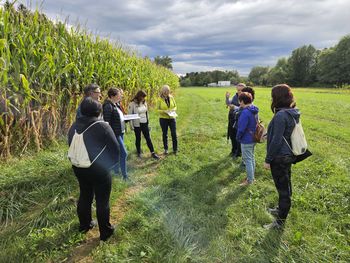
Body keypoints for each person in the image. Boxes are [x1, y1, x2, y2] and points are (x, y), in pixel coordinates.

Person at [68, 97, 118, 241]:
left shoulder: (73, 126)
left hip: (78, 167)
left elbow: (70, 144)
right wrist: (108, 167)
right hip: (98, 169)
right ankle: (105, 232)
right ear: (98, 111)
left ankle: (85, 225)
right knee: (102, 201)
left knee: (85, 195)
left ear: (82, 111)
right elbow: (115, 151)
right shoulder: (103, 126)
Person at [263, 84, 299, 230]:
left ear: (277, 97)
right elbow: (284, 134)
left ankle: (280, 222)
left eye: (273, 96)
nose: (271, 98)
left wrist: (268, 160)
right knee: (285, 186)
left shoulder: (280, 115)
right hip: (287, 155)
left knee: (284, 190)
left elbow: (277, 141)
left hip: (279, 157)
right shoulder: (292, 112)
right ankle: (280, 209)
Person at [103, 87, 128, 180]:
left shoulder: (115, 104)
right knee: (124, 153)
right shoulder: (107, 106)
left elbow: (118, 118)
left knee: (118, 153)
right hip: (115, 134)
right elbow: (107, 123)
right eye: (118, 95)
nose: (121, 96)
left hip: (120, 132)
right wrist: (111, 136)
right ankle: (125, 176)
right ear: (112, 96)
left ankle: (116, 172)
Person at [128, 90, 160, 160]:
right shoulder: (132, 103)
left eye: (144, 97)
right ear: (139, 96)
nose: (143, 98)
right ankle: (139, 153)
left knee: (148, 138)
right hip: (137, 124)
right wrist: (131, 125)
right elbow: (130, 115)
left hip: (144, 122)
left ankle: (153, 153)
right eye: (142, 97)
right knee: (138, 138)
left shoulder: (145, 102)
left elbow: (146, 113)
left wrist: (148, 123)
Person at [236, 92, 259, 186]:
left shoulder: (245, 112)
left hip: (246, 139)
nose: (239, 103)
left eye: (240, 101)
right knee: (251, 157)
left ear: (242, 101)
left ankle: (250, 181)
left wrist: (238, 137)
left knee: (247, 160)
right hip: (254, 137)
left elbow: (241, 128)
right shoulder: (254, 109)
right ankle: (251, 177)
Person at [226, 83, 246, 157]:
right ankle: (233, 150)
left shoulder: (247, 97)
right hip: (232, 118)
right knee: (232, 135)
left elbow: (245, 108)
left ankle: (238, 152)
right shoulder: (235, 96)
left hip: (240, 120)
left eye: (241, 90)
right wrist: (227, 98)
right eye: (238, 90)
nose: (239, 92)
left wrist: (234, 107)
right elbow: (228, 103)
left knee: (238, 136)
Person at [157, 85, 178, 155]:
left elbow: (175, 106)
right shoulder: (159, 99)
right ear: (162, 91)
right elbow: (157, 109)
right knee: (165, 134)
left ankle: (175, 149)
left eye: (168, 91)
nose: (167, 92)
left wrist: (173, 110)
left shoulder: (171, 97)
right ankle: (166, 149)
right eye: (165, 91)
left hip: (172, 118)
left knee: (174, 134)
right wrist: (164, 111)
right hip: (163, 119)